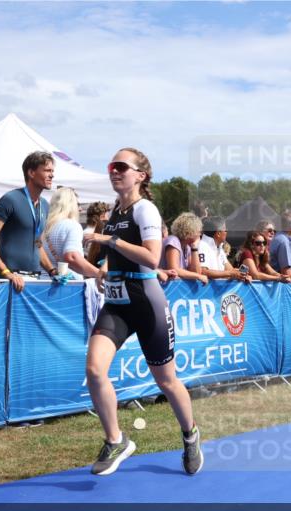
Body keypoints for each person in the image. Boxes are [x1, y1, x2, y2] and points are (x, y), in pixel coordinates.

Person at [83, 148, 201, 476]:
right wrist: (107, 269)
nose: (114, 171)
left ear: (141, 175)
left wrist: (111, 241)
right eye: (111, 166)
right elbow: (117, 255)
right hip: (118, 305)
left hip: (147, 302)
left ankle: (190, 434)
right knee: (94, 370)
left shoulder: (144, 209)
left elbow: (152, 257)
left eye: (122, 166)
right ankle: (116, 439)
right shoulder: (113, 213)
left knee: (166, 380)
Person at [0, 151, 57, 292]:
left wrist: (52, 270)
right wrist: (6, 272)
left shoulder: (45, 205)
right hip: (10, 280)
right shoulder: (11, 199)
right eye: (47, 170)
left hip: (34, 279)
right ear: (31, 173)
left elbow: (37, 243)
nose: (52, 175)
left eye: (52, 171)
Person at [42, 187, 100, 280]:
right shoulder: (72, 225)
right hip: (68, 284)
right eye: (77, 204)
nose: (80, 209)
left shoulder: (44, 226)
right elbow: (72, 257)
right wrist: (99, 273)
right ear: (70, 205)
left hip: (44, 281)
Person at [198, 216, 250, 283]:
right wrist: (231, 273)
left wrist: (243, 275)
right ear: (218, 233)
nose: (227, 232)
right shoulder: (202, 246)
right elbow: (203, 271)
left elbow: (230, 270)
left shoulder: (219, 248)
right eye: (225, 230)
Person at [160, 212, 208, 284]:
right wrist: (198, 276)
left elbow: (196, 271)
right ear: (190, 231)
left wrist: (194, 248)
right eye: (198, 231)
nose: (200, 234)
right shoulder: (173, 241)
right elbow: (174, 269)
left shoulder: (187, 247)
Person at [84, 201, 110, 267]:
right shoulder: (99, 234)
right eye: (107, 215)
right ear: (102, 216)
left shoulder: (84, 232)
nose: (108, 218)